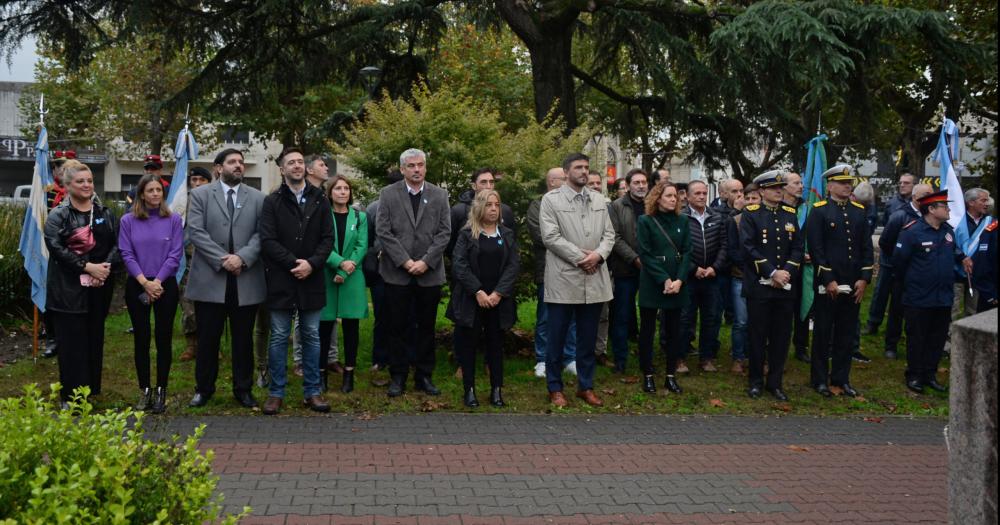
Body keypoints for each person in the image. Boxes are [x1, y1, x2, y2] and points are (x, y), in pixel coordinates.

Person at [186, 149, 266, 410]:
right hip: (211, 277)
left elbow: (261, 234)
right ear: (218, 168)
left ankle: (243, 389)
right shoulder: (199, 195)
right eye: (232, 162)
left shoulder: (257, 198)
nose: (239, 166)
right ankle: (203, 389)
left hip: (245, 278)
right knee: (208, 338)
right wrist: (224, 259)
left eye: (241, 162)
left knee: (243, 339)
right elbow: (196, 232)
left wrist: (241, 259)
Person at [259, 147, 334, 415]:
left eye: (301, 162)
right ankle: (276, 392)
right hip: (282, 279)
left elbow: (328, 239)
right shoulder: (272, 202)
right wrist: (294, 264)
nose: (297, 166)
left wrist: (312, 264)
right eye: (291, 162)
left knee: (312, 336)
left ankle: (313, 391)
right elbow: (267, 240)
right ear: (282, 169)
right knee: (279, 336)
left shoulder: (320, 200)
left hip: (311, 279)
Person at [539, 153, 616, 408]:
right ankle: (554, 387)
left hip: (594, 280)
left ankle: (586, 386)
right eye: (578, 167)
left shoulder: (599, 200)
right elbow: (550, 237)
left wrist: (598, 255)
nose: (584, 171)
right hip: (564, 279)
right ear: (566, 171)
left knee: (587, 337)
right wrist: (581, 258)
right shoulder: (551, 200)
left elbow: (609, 235)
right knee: (557, 337)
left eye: (586, 167)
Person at [376, 148, 451, 397]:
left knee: (426, 327)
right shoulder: (388, 194)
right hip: (397, 273)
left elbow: (444, 233)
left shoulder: (440, 195)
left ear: (425, 168)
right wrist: (406, 261)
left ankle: (424, 376)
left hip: (429, 274)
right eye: (411, 166)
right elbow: (383, 231)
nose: (417, 169)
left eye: (420, 165)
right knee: (397, 326)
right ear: (402, 169)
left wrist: (426, 262)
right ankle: (398, 376)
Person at [44, 160, 118, 408]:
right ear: (67, 185)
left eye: (89, 181)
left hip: (98, 289)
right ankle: (70, 396)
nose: (86, 185)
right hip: (68, 292)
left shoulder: (105, 213)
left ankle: (88, 392)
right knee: (71, 346)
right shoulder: (58, 215)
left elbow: (118, 244)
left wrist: (104, 268)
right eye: (80, 181)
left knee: (93, 341)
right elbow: (56, 248)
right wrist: (87, 267)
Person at [892, 190, 973, 394]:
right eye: (944, 206)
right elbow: (899, 262)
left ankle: (930, 374)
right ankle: (915, 375)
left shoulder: (947, 231)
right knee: (917, 337)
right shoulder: (912, 231)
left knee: (936, 338)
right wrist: (912, 284)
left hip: (943, 296)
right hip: (919, 296)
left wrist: (963, 257)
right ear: (931, 209)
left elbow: (953, 250)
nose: (948, 209)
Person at [805, 166, 873, 398]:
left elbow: (866, 247)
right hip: (829, 283)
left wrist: (864, 279)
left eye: (849, 182)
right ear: (830, 186)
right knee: (824, 332)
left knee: (846, 332)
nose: (847, 186)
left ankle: (841, 378)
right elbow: (816, 248)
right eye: (842, 182)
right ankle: (819, 379)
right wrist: (828, 279)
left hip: (853, 282)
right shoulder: (819, 211)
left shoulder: (859, 211)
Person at [118, 173, 184, 413]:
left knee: (163, 338)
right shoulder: (128, 221)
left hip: (165, 284)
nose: (155, 194)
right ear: (142, 194)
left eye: (158, 190)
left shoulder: (174, 219)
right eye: (150, 190)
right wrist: (145, 282)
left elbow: (175, 254)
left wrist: (157, 282)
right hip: (138, 283)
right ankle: (144, 388)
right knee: (142, 338)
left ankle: (161, 390)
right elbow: (126, 253)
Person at [448, 190, 520, 407]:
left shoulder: (506, 234)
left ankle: (496, 390)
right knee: (468, 346)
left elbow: (513, 265)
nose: (493, 209)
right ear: (479, 207)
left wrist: (497, 293)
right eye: (489, 205)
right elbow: (459, 265)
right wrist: (478, 291)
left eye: (496, 205)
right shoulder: (467, 234)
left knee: (496, 346)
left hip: (498, 300)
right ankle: (469, 390)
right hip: (472, 299)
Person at [740, 171, 803, 401]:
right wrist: (772, 272)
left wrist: (787, 272)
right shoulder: (751, 214)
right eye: (774, 188)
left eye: (781, 187)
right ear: (762, 191)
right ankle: (755, 381)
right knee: (757, 336)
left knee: (781, 336)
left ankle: (775, 383)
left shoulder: (790, 213)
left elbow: (798, 247)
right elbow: (748, 247)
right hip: (760, 286)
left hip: (785, 287)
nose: (779, 191)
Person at [636, 181, 691, 394]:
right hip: (652, 282)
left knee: (674, 331)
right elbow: (645, 253)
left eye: (675, 196)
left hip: (677, 283)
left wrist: (679, 280)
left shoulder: (683, 220)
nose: (673, 199)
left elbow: (687, 251)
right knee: (648, 330)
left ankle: (670, 375)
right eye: (668, 196)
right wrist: (664, 280)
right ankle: (648, 374)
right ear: (657, 198)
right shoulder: (646, 221)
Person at [526, 168, 578, 378]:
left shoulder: (573, 203)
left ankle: (570, 357)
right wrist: (570, 247)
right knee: (546, 316)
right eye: (563, 178)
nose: (567, 181)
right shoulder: (537, 206)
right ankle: (543, 359)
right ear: (551, 182)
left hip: (574, 268)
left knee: (572, 315)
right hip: (547, 268)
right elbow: (542, 236)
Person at [320, 175, 368, 393]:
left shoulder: (360, 217)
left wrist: (346, 270)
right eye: (338, 188)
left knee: (351, 328)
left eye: (346, 188)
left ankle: (349, 373)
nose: (342, 192)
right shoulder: (322, 215)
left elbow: (362, 245)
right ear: (330, 192)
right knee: (323, 327)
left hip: (352, 276)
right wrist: (339, 264)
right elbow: (318, 244)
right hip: (327, 276)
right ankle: (321, 375)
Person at [877, 184, 932, 359]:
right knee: (897, 308)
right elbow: (885, 242)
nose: (931, 198)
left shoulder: (931, 216)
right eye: (927, 195)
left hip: (923, 272)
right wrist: (898, 261)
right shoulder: (900, 216)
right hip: (901, 271)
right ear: (916, 197)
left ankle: (917, 343)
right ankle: (891, 344)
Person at [679, 180, 727, 372]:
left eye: (704, 193)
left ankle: (707, 357)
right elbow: (678, 248)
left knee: (712, 318)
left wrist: (715, 267)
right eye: (697, 193)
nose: (701, 197)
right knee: (684, 319)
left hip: (712, 277)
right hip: (689, 277)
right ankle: (679, 358)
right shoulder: (681, 217)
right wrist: (693, 268)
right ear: (688, 196)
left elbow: (725, 245)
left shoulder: (717, 216)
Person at [607, 168, 649, 373]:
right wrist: (634, 259)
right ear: (629, 185)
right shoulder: (616, 206)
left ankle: (646, 359)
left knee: (649, 315)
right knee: (621, 316)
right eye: (636, 183)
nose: (641, 186)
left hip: (651, 270)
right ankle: (620, 360)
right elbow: (614, 237)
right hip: (624, 268)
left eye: (644, 182)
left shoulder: (653, 204)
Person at [303, 154, 342, 373]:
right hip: (304, 263)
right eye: (321, 165)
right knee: (304, 318)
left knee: (328, 313)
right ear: (309, 170)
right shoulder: (299, 194)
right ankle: (302, 360)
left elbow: (328, 236)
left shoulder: (323, 198)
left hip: (324, 263)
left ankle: (330, 357)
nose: (326, 168)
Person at [364, 170, 404, 378]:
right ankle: (380, 358)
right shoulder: (374, 208)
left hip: (407, 271)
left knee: (407, 317)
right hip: (381, 272)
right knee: (382, 316)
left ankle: (407, 357)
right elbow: (368, 241)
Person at [40, 149, 77, 359]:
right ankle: (52, 337)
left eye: (64, 165)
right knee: (50, 296)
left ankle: (70, 337)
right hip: (49, 250)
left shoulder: (81, 190)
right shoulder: (45, 192)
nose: (60, 169)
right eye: (57, 166)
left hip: (73, 251)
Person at [178, 167, 212, 363]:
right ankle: (192, 344)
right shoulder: (184, 202)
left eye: (202, 180)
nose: (197, 183)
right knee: (188, 305)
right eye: (194, 180)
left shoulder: (217, 201)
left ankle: (209, 344)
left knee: (209, 307)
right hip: (188, 258)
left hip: (209, 259)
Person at [448, 167, 516, 255]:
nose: (488, 186)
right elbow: (450, 244)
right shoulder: (458, 211)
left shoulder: (505, 211)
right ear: (474, 186)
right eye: (483, 182)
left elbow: (512, 242)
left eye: (491, 182)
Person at [724, 183, 756, 374]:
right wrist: (750, 268)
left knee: (758, 321)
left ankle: (756, 355)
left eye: (755, 198)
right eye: (748, 198)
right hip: (740, 276)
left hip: (762, 278)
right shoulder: (735, 221)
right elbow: (733, 251)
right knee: (741, 321)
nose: (751, 202)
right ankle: (738, 357)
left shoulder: (767, 219)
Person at [781, 171, 810, 364]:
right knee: (783, 310)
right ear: (784, 187)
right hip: (783, 267)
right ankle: (779, 346)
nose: (801, 186)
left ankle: (801, 346)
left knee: (803, 306)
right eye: (796, 183)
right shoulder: (778, 209)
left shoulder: (807, 208)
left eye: (801, 183)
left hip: (804, 268)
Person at [586, 171, 612, 362]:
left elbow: (611, 235)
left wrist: (598, 256)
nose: (595, 186)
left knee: (603, 314)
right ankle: (580, 351)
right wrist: (585, 258)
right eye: (591, 183)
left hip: (603, 266)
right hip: (579, 265)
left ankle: (600, 350)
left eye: (598, 182)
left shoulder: (606, 206)